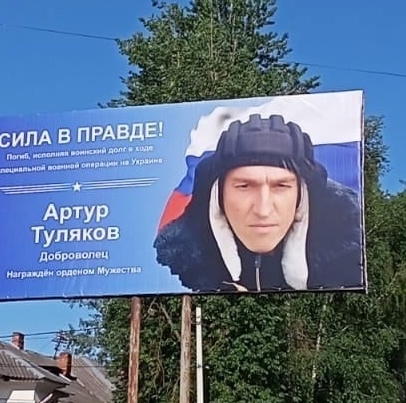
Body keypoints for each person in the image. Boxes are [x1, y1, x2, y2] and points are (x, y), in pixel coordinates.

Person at [153, 113, 364, 293]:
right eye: (244, 186)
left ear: (302, 196)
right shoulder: (176, 264)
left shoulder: (348, 262)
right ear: (218, 195)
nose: (263, 210)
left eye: (281, 187)